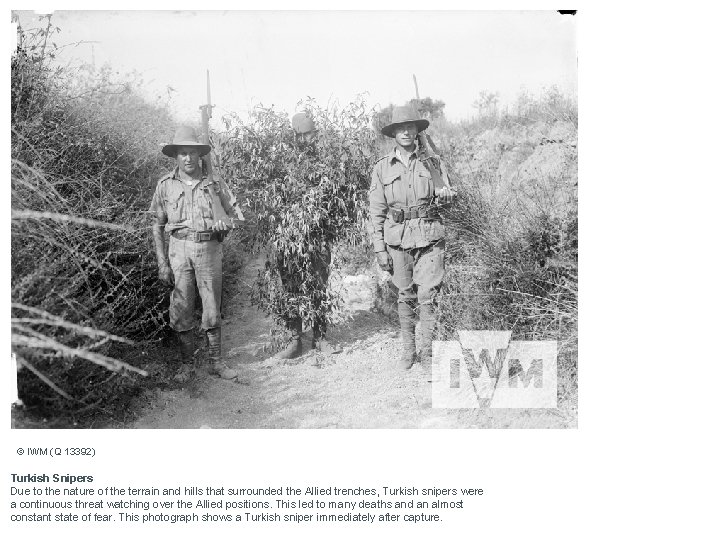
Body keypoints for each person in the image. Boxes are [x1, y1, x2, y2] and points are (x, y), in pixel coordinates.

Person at [150, 125, 243, 381]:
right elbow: (157, 225)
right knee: (181, 308)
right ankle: (186, 366)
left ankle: (216, 362)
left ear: (200, 155)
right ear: (176, 156)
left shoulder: (215, 184)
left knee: (212, 307)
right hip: (178, 251)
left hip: (209, 249)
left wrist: (225, 225)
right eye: (183, 153)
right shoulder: (165, 186)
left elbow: (237, 217)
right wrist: (162, 263)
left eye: (192, 153)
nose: (188, 158)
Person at [368, 106, 455, 370]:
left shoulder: (433, 162)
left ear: (418, 131)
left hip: (430, 235)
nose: (405, 132)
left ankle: (427, 354)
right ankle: (409, 352)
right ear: (393, 133)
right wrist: (380, 249)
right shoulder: (382, 168)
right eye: (400, 128)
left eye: (410, 127)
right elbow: (376, 212)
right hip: (397, 239)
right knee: (405, 295)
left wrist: (448, 197)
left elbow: (447, 198)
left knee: (428, 294)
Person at [272, 113, 342, 359]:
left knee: (319, 286)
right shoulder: (281, 163)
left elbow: (336, 201)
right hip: (289, 239)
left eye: (308, 134)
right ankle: (294, 341)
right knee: (290, 287)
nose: (304, 139)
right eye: (299, 135)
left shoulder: (326, 161)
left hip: (318, 238)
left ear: (315, 134)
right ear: (293, 136)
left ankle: (320, 338)